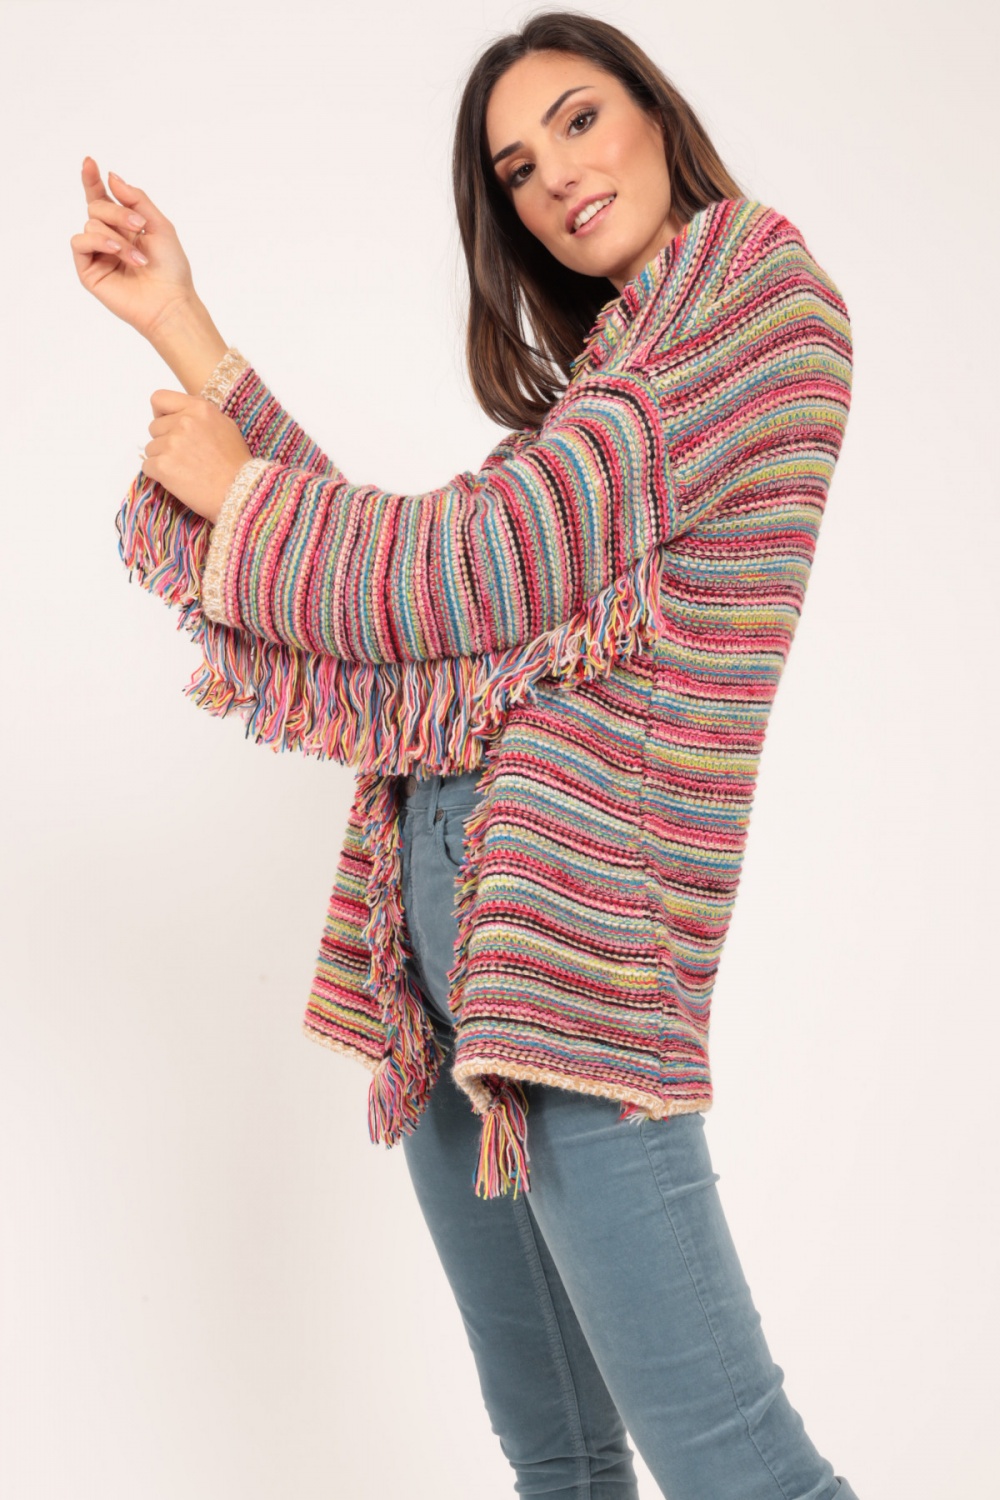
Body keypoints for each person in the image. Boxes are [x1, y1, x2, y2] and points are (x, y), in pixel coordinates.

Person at [73, 11, 858, 1498]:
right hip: (446, 954)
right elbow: (406, 614)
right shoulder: (612, 388)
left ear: (655, 112)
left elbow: (470, 568)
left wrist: (239, 496)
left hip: (577, 944)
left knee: (740, 1468)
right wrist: (183, 324)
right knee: (558, 1456)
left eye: (578, 119)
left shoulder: (757, 300)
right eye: (514, 167)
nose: (553, 174)